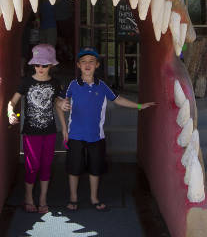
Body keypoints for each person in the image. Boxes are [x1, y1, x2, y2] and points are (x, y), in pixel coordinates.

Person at [58, 47, 155, 211]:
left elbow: (118, 100)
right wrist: (63, 125)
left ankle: (94, 198)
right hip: (75, 135)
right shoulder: (72, 85)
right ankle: (73, 198)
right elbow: (59, 103)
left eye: (91, 62)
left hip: (97, 137)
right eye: (83, 62)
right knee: (74, 169)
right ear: (78, 65)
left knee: (96, 169)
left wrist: (139, 105)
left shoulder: (102, 86)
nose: (87, 65)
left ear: (96, 65)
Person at [8, 43, 68, 214]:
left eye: (45, 65)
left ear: (51, 65)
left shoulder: (56, 83)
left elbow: (58, 104)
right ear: (33, 65)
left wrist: (64, 129)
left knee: (46, 165)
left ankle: (42, 198)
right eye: (37, 64)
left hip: (49, 131)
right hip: (30, 132)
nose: (40, 68)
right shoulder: (26, 81)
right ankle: (28, 197)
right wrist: (10, 113)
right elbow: (11, 102)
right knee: (31, 165)